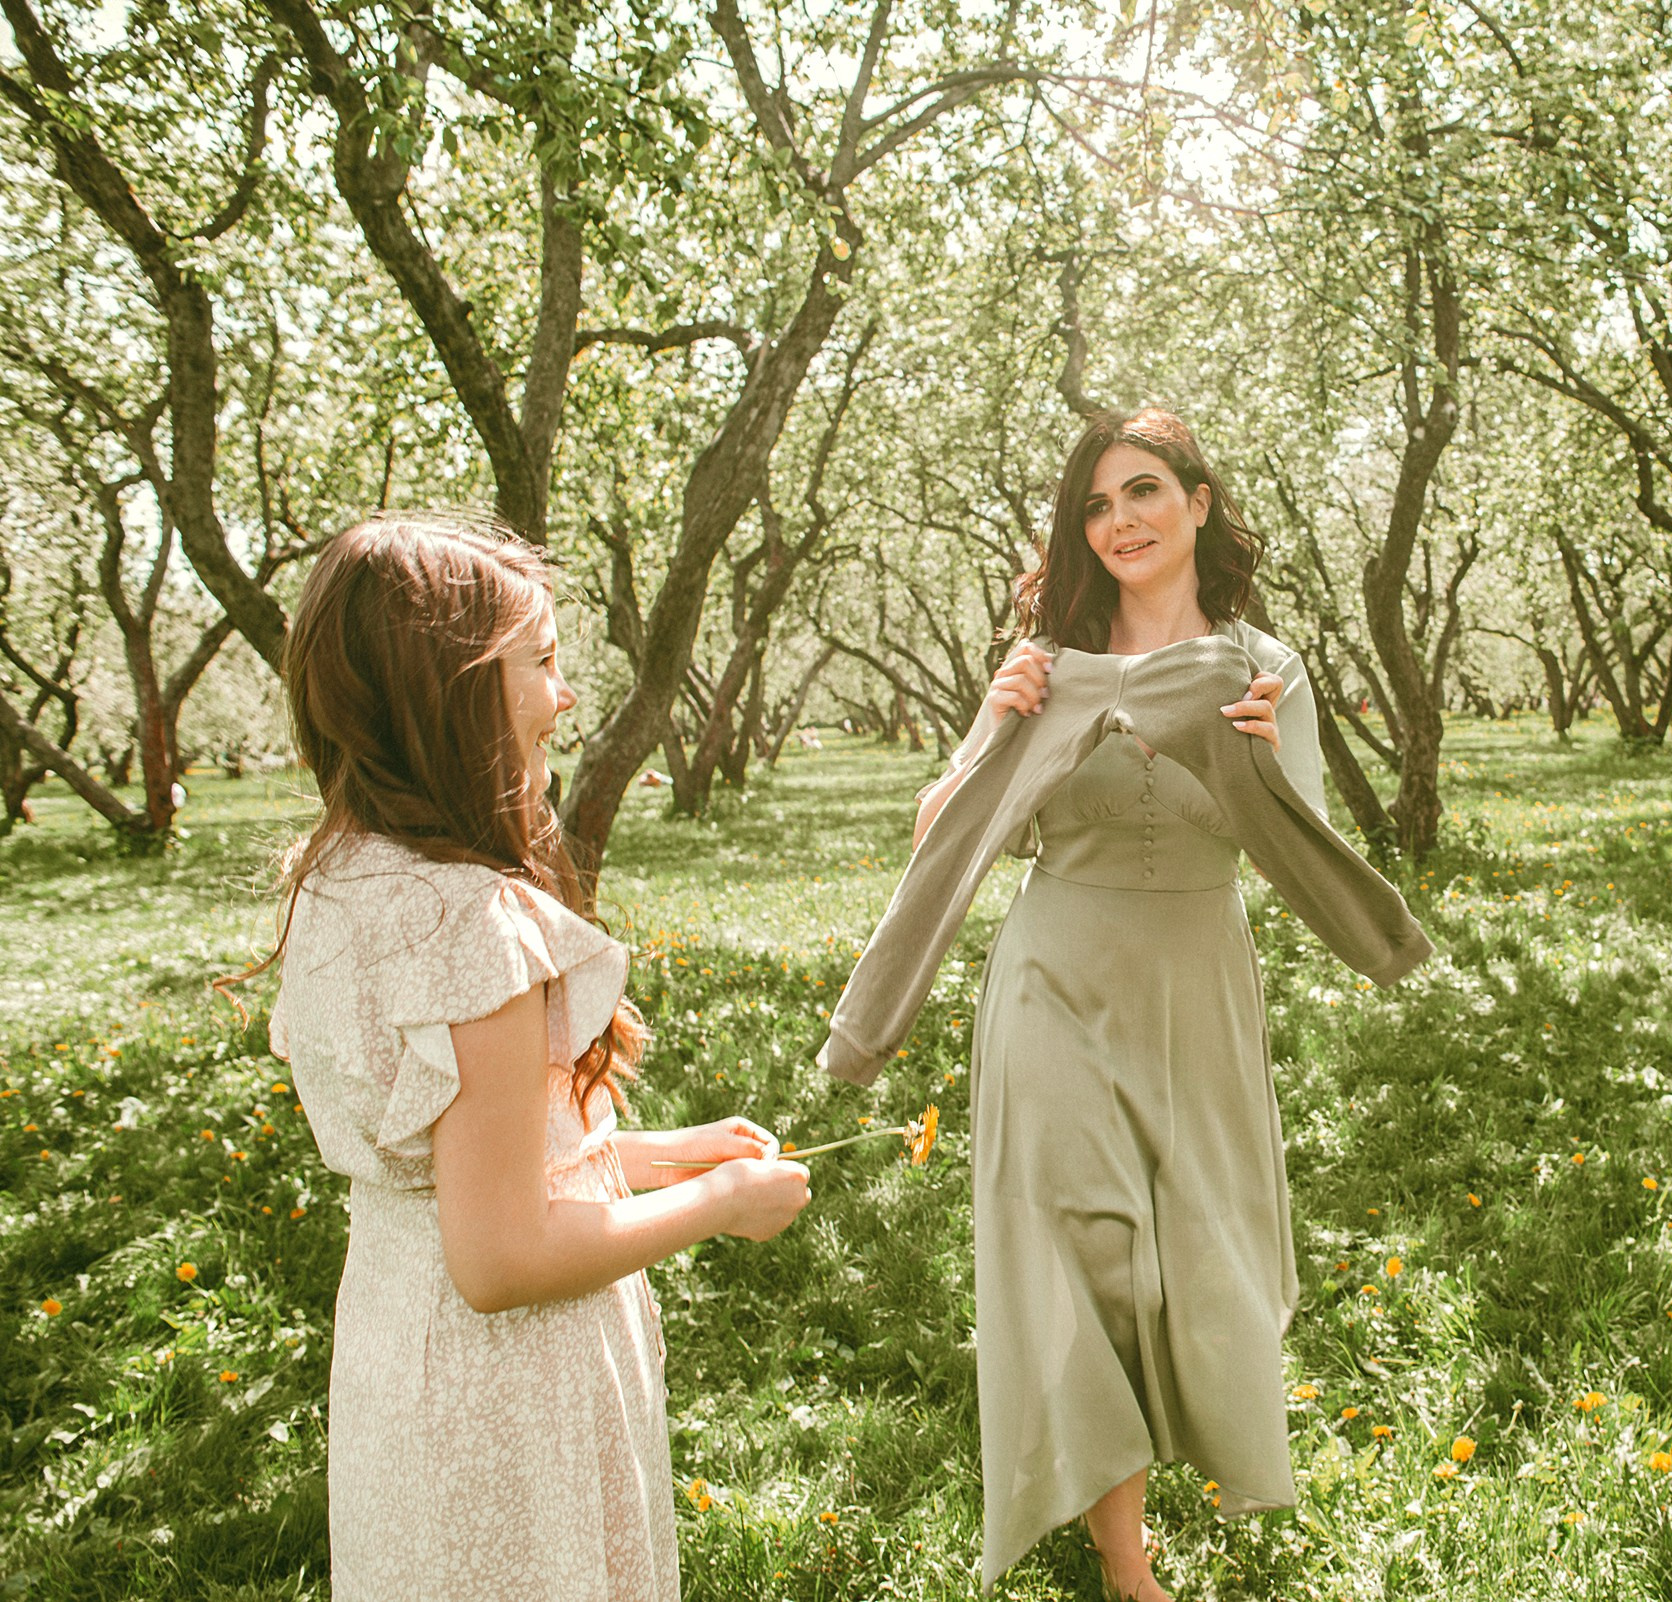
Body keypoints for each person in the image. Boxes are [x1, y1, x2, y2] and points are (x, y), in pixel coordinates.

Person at [253, 512, 814, 1601]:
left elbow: (464, 1156)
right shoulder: (473, 927)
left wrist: (663, 1154)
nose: (565, 698)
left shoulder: (345, 877)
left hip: (395, 1358)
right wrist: (725, 1202)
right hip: (508, 1399)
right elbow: (502, 1254)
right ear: (452, 688)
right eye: (543, 662)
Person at [913, 409, 1316, 1600]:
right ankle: (1126, 1568)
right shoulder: (1046, 660)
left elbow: (1308, 859)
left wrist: (1253, 759)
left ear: (1198, 503)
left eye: (1142, 491)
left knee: (1190, 1260)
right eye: (1095, 505)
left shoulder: (1267, 667)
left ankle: (1172, 1468)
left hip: (1197, 985)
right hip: (1054, 973)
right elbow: (943, 843)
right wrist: (995, 721)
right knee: (1084, 1250)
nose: (1120, 521)